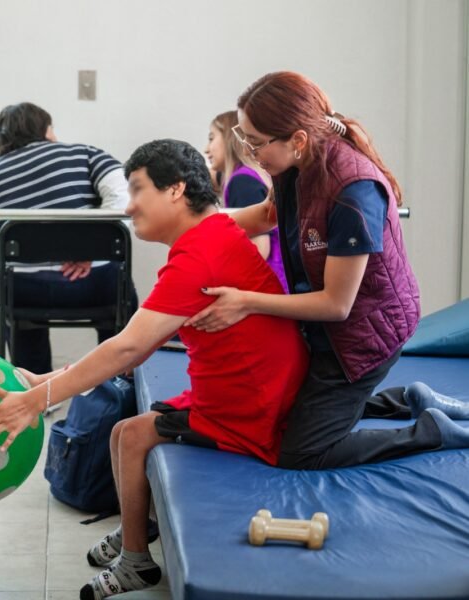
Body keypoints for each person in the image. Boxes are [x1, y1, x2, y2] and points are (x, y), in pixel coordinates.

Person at [0, 139, 311, 599]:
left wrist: (35, 402)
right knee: (123, 432)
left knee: (132, 435)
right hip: (248, 391)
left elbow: (128, 348)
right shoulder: (213, 230)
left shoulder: (198, 255)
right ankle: (137, 531)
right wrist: (48, 380)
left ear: (175, 190)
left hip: (251, 408)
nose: (128, 206)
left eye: (137, 189)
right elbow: (131, 345)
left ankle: (135, 562)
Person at [185, 71, 469, 470]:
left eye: (255, 141)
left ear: (297, 139)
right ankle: (407, 399)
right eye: (242, 138)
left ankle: (432, 430)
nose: (249, 151)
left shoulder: (354, 191)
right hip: (328, 326)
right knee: (291, 414)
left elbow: (337, 304)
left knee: (301, 451)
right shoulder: (293, 165)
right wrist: (195, 229)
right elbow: (267, 215)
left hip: (366, 331)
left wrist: (246, 302)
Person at [0, 102, 137, 373]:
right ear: (47, 131)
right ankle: (117, 378)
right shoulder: (85, 154)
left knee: (18, 309)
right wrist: (90, 249)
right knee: (120, 295)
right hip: (90, 283)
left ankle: (33, 388)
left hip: (16, 286)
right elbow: (123, 198)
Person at [206, 110, 287, 291]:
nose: (206, 149)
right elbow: (212, 176)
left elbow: (259, 248)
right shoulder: (242, 178)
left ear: (229, 139)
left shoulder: (241, 183)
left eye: (211, 139)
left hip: (265, 289)